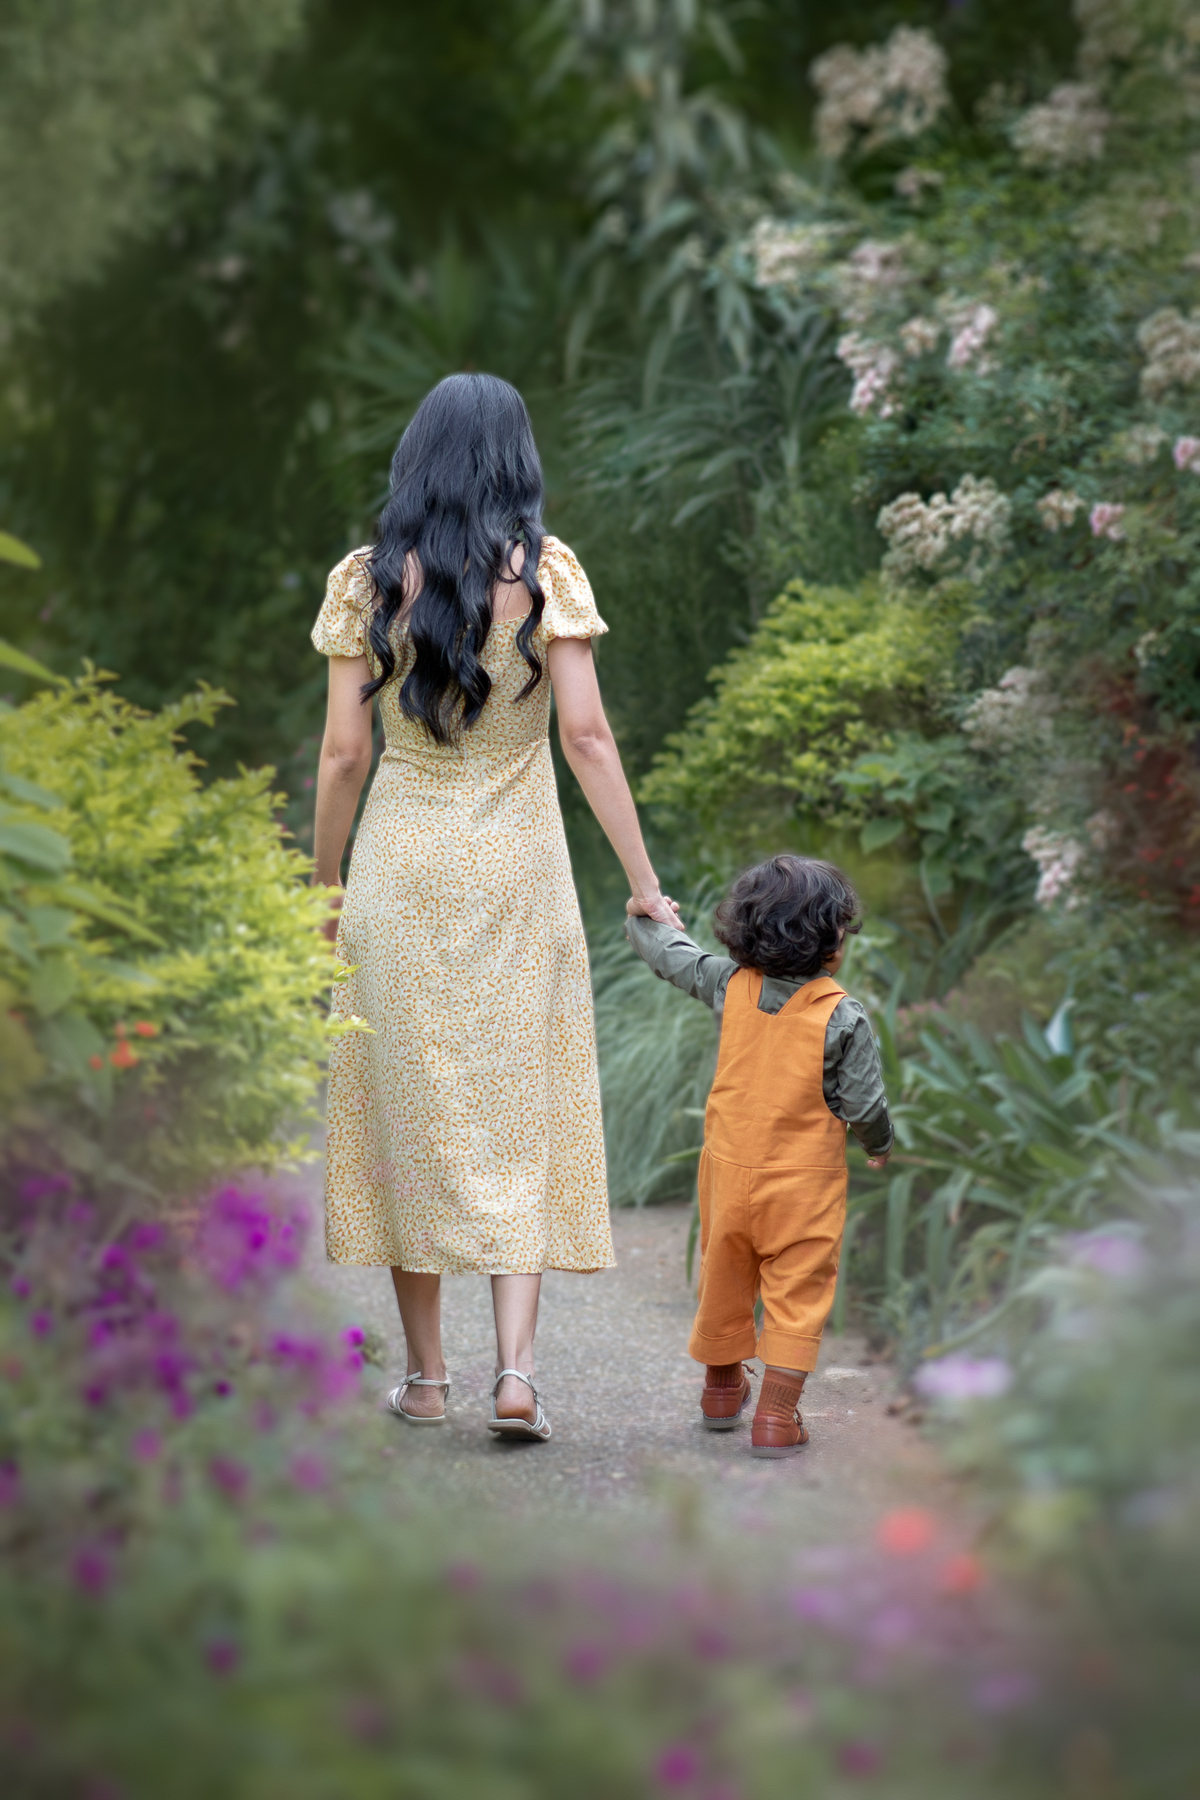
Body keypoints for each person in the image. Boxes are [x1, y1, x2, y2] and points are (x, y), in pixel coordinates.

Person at [310, 372, 680, 1443]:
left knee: (407, 1106)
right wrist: (644, 881)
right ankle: (516, 1375)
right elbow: (588, 737)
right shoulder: (549, 574)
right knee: (520, 1103)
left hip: (400, 868)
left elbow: (343, 754)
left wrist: (321, 888)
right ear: (516, 458)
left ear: (414, 458)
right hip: (520, 871)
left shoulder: (364, 581)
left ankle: (427, 1381)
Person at [626, 856, 892, 1458]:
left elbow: (666, 952)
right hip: (803, 1186)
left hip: (727, 1170)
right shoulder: (841, 1014)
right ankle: (775, 1418)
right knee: (799, 1290)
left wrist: (643, 915)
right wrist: (878, 1144)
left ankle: (721, 1391)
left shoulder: (728, 982)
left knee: (724, 1271)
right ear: (829, 940)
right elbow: (864, 1104)